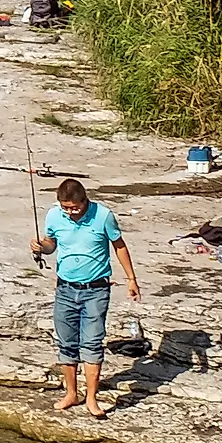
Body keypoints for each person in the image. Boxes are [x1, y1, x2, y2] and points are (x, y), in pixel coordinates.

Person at [32, 177, 141, 419]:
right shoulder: (53, 216)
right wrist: (42, 246)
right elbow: (52, 244)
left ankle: (91, 398)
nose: (70, 212)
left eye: (75, 207)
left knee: (92, 343)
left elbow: (119, 246)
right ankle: (71, 393)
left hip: (96, 290)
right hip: (65, 289)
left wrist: (131, 279)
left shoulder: (103, 216)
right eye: (66, 208)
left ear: (85, 200)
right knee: (67, 343)